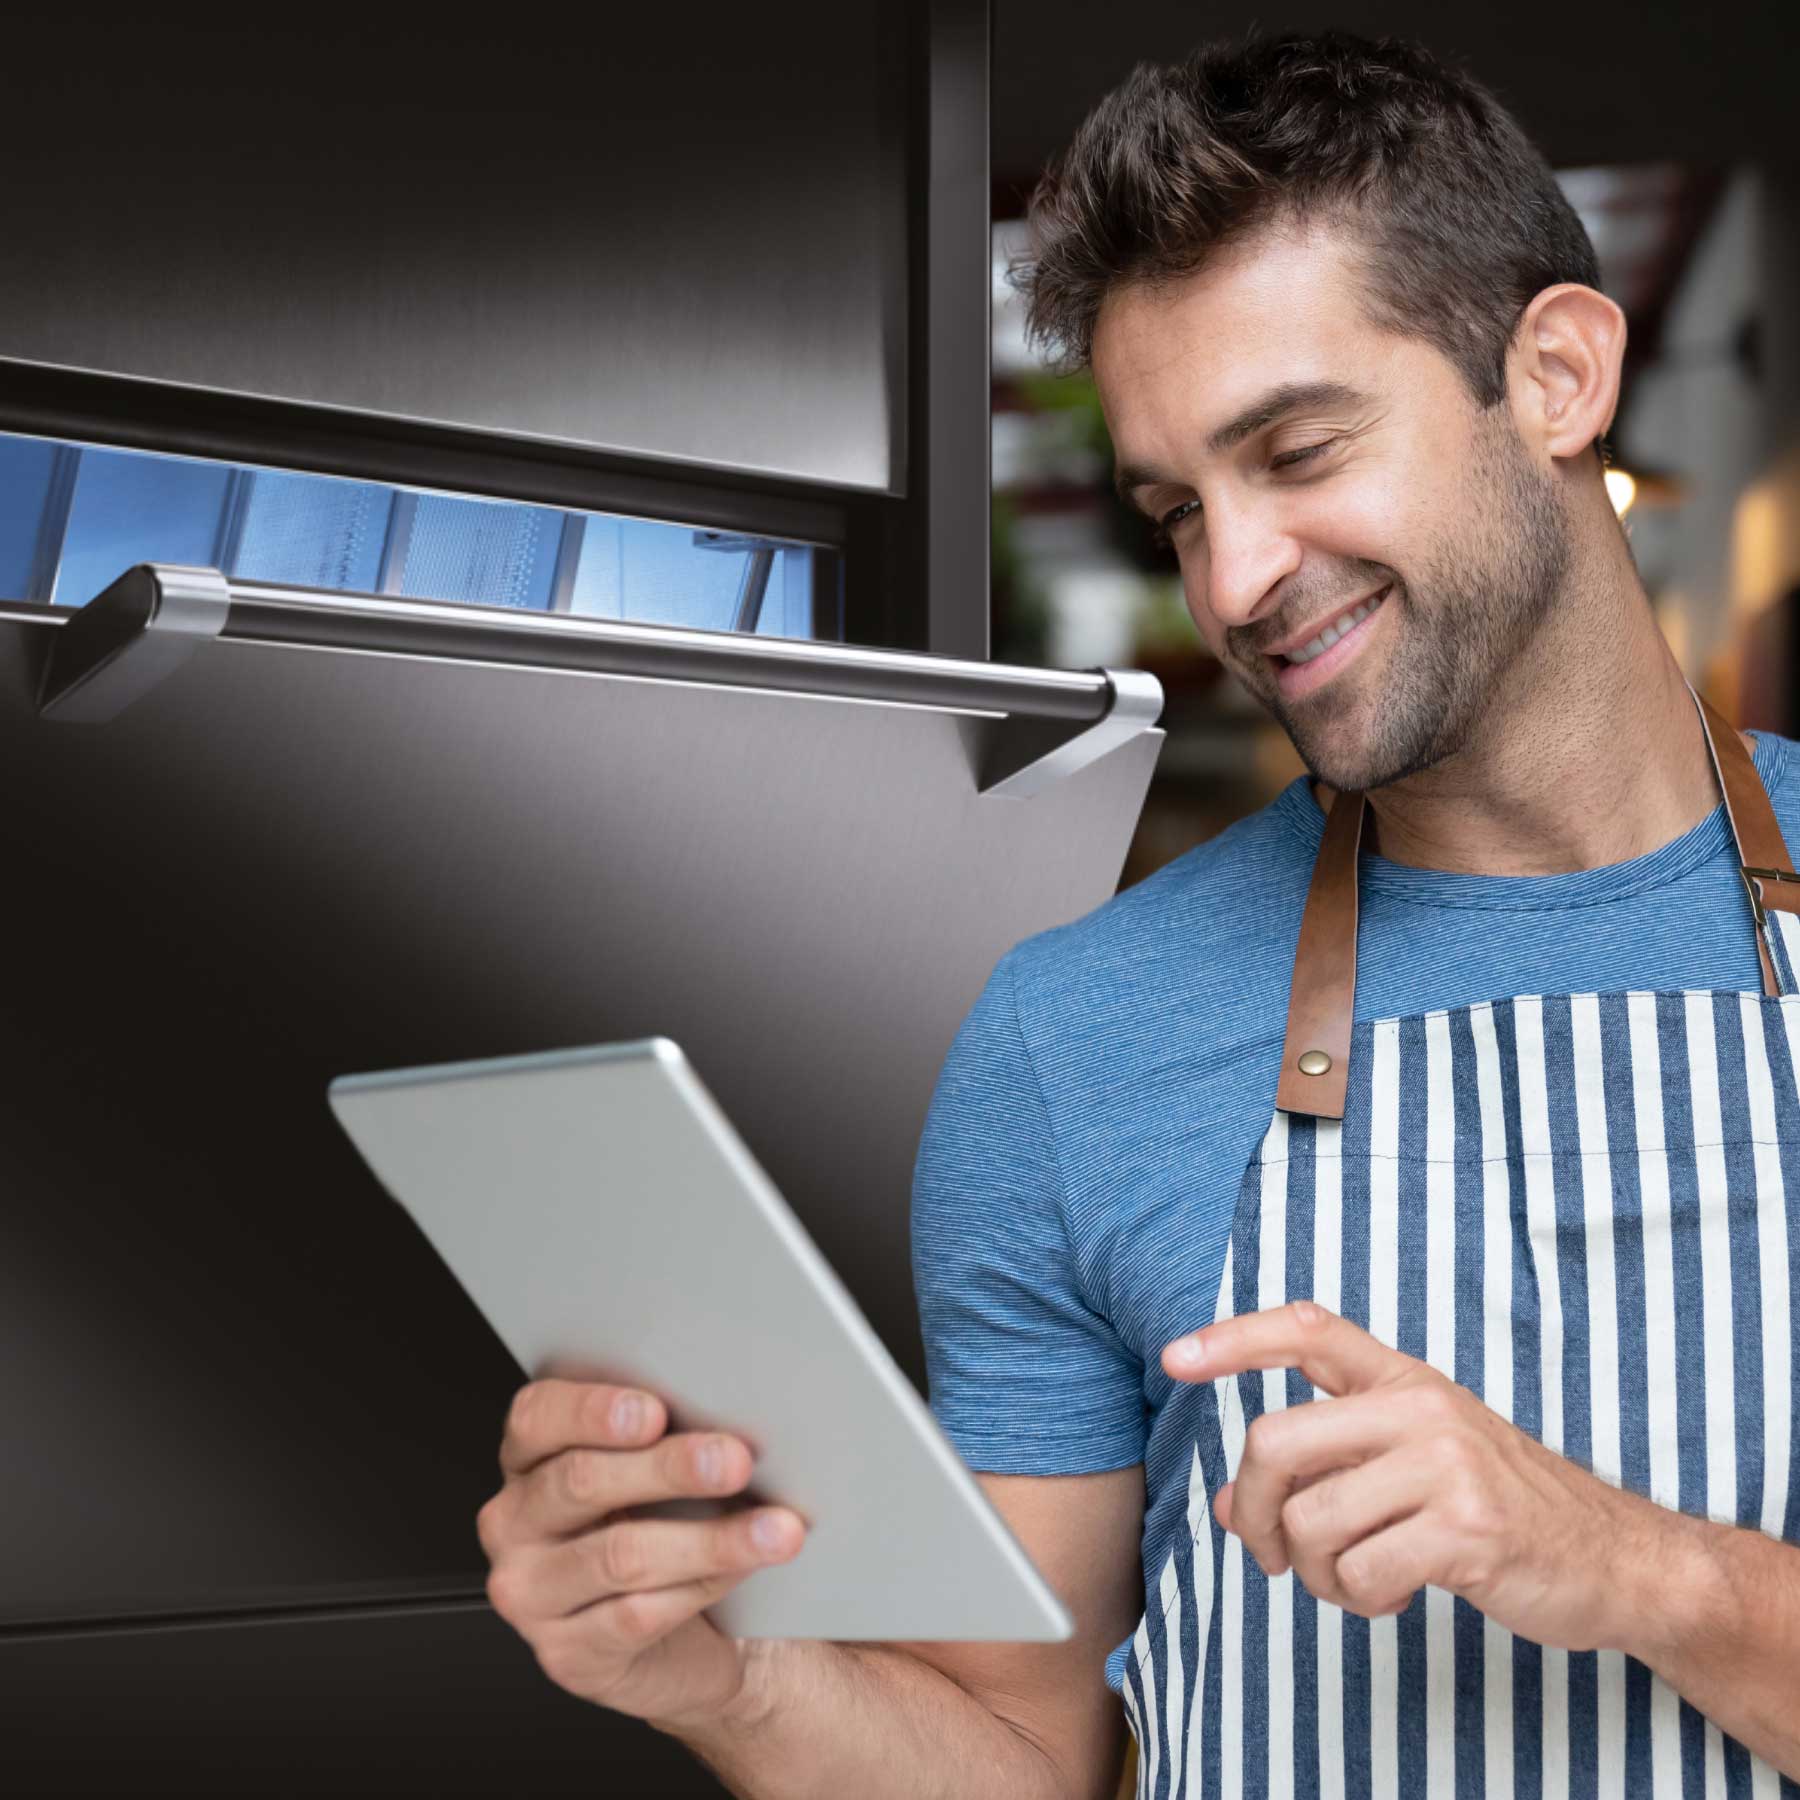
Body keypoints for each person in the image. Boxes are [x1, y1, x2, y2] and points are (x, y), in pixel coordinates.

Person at [473, 32, 1800, 1796]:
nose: (1234, 584)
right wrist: (732, 1684)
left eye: (1301, 448)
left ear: (1555, 374)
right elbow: (1027, 1759)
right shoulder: (1069, 1041)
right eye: (1183, 507)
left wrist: (1638, 1571)